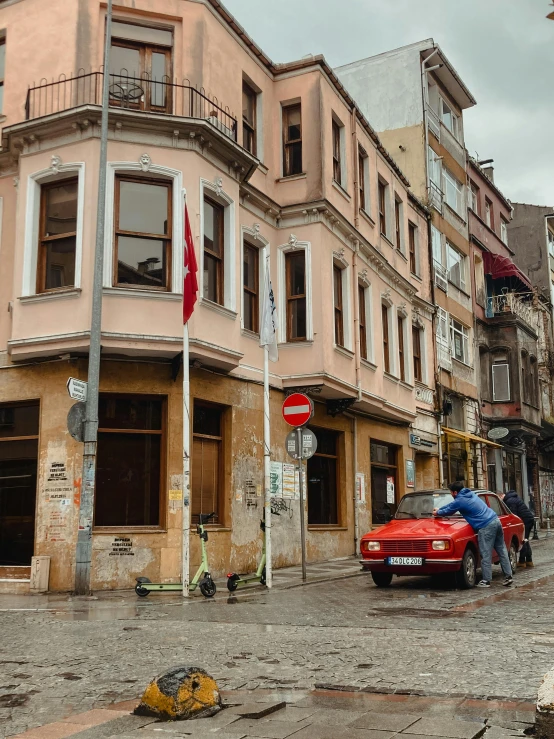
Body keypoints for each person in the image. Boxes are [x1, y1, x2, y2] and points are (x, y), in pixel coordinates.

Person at [433, 481, 513, 588]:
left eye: (451, 492)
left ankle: (486, 580)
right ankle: (508, 576)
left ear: (455, 492)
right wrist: (440, 508)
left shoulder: (460, 500)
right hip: (495, 520)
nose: (451, 494)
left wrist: (437, 512)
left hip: (485, 525)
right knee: (502, 550)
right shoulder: (470, 494)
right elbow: (451, 505)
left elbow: (449, 510)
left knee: (485, 553)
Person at [499, 490, 535, 568]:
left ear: (501, 496)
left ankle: (522, 561)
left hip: (525, 520)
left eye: (499, 498)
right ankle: (529, 560)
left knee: (523, 540)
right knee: (525, 540)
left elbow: (513, 515)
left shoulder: (510, 501)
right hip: (528, 519)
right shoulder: (513, 498)